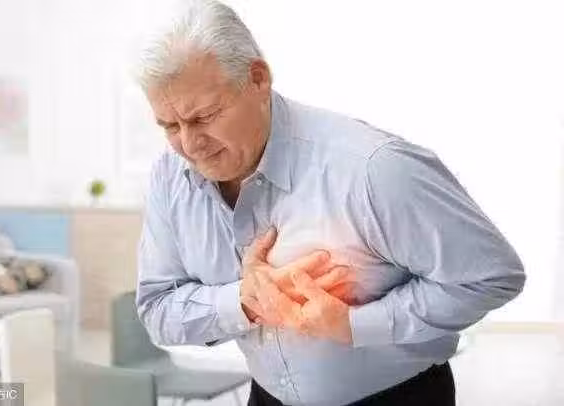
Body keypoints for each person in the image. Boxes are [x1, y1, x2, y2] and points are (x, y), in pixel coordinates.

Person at [134, 1, 526, 405]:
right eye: (169, 126)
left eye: (203, 117)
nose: (189, 144)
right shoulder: (170, 177)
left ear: (257, 79)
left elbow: (492, 277)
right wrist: (243, 300)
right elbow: (157, 309)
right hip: (267, 397)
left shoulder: (373, 169)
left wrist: (356, 324)